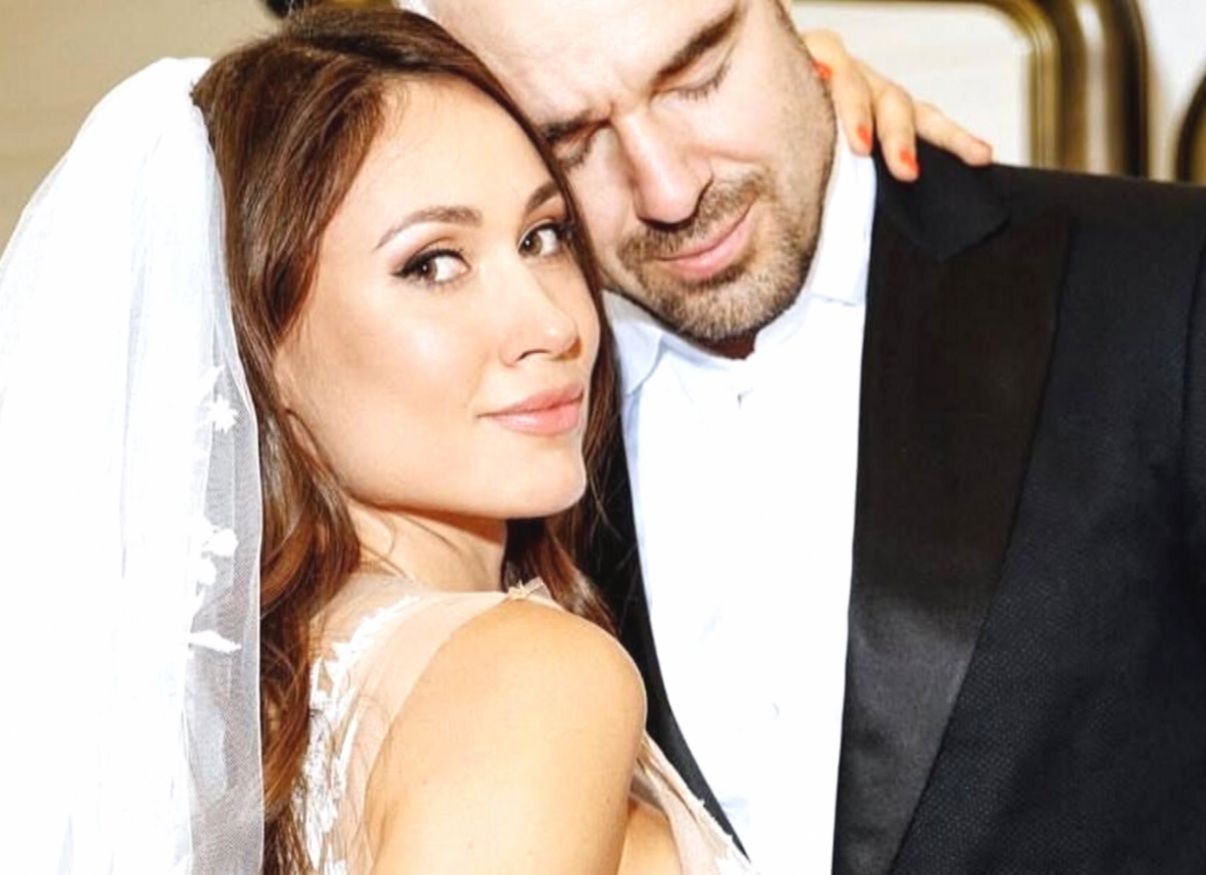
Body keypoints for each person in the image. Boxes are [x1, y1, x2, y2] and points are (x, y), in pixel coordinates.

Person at [0, 6, 985, 874]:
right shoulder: (526, 678)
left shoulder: (247, 705)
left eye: (542, 235)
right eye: (432, 263)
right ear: (259, 342)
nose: (551, 323)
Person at [355, 0, 1206, 872]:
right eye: (570, 139)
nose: (668, 188)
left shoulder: (1174, 286)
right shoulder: (483, 431)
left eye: (698, 75)